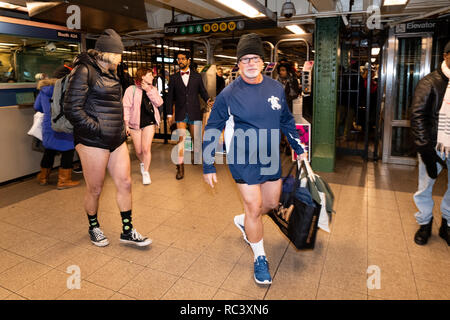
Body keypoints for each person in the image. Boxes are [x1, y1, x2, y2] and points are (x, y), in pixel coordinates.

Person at [202, 33, 308, 284]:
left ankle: (243, 221)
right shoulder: (228, 93)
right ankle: (259, 257)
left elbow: (286, 120)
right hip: (243, 158)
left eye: (255, 58)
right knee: (253, 207)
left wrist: (299, 147)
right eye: (245, 59)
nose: (250, 63)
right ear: (238, 64)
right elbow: (213, 128)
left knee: (270, 204)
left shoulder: (275, 88)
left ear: (263, 62)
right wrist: (208, 164)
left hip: (270, 156)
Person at [64, 29, 151, 247]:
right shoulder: (83, 70)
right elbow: (72, 108)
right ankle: (93, 226)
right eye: (120, 54)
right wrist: (97, 129)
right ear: (110, 53)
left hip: (116, 138)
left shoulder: (111, 72)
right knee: (95, 188)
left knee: (125, 183)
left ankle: (127, 231)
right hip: (93, 140)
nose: (121, 58)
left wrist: (120, 128)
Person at [411, 41, 450, 246]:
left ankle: (447, 224)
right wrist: (425, 148)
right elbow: (417, 117)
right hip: (433, 145)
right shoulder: (430, 82)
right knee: (425, 186)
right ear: (446, 56)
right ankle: (425, 223)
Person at [165, 51, 213, 179]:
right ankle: (180, 168)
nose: (180, 61)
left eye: (182, 59)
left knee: (196, 138)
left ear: (188, 61)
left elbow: (202, 92)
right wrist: (169, 114)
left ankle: (196, 155)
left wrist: (208, 100)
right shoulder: (174, 78)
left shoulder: (197, 77)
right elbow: (169, 98)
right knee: (181, 140)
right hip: (181, 112)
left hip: (194, 111)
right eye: (178, 59)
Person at [34, 64, 79, 189]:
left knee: (49, 150)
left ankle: (43, 177)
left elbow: (37, 107)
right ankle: (64, 181)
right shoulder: (68, 88)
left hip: (49, 125)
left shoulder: (44, 89)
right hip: (64, 124)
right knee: (68, 151)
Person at [123, 67, 163, 185]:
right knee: (139, 150)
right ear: (142, 76)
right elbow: (126, 107)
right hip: (134, 124)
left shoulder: (153, 89)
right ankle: (143, 163)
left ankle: (146, 172)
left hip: (149, 122)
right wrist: (126, 125)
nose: (152, 76)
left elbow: (159, 102)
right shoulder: (131, 89)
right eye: (150, 74)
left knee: (146, 149)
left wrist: (149, 90)